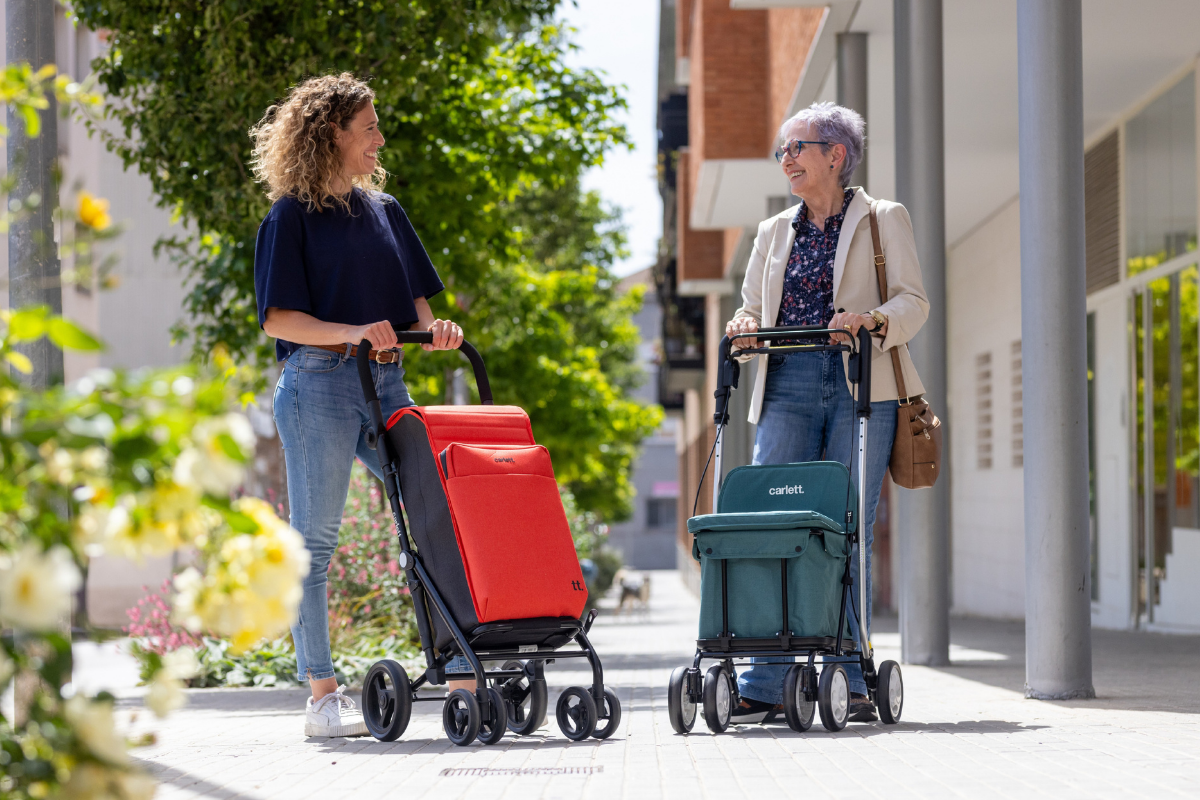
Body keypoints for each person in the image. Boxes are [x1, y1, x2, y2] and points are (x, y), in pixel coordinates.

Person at [251, 73, 469, 738]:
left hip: (386, 382)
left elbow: (416, 305)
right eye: (369, 127)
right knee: (315, 544)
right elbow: (278, 319)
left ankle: (462, 667)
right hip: (317, 386)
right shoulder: (289, 217)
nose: (379, 138)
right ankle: (322, 697)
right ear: (332, 134)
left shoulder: (385, 210)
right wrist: (351, 332)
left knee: (437, 515)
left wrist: (437, 330)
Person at [724, 101, 929, 724]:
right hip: (785, 382)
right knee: (772, 523)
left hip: (860, 382)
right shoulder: (772, 231)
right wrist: (744, 325)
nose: (786, 159)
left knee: (847, 528)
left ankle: (849, 675)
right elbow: (751, 307)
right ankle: (764, 681)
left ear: (836, 155)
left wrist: (872, 319)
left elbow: (913, 301)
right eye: (781, 151)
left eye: (797, 148)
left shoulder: (883, 218)